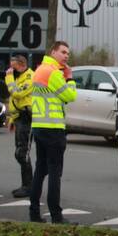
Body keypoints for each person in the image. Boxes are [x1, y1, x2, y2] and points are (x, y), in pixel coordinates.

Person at [29, 41, 77, 224]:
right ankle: (56, 216)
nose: (66, 56)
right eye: (63, 52)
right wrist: (70, 77)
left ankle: (34, 212)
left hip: (39, 126)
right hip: (54, 128)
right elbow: (70, 96)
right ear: (53, 52)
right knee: (55, 173)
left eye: (68, 53)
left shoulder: (39, 70)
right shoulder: (53, 72)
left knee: (40, 170)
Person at [4, 52, 34, 197]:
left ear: (22, 65)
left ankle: (29, 186)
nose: (11, 71)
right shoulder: (20, 77)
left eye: (13, 68)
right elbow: (15, 102)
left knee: (22, 153)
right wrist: (11, 119)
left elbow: (17, 94)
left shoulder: (30, 77)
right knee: (19, 153)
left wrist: (9, 78)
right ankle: (26, 184)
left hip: (27, 119)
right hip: (19, 118)